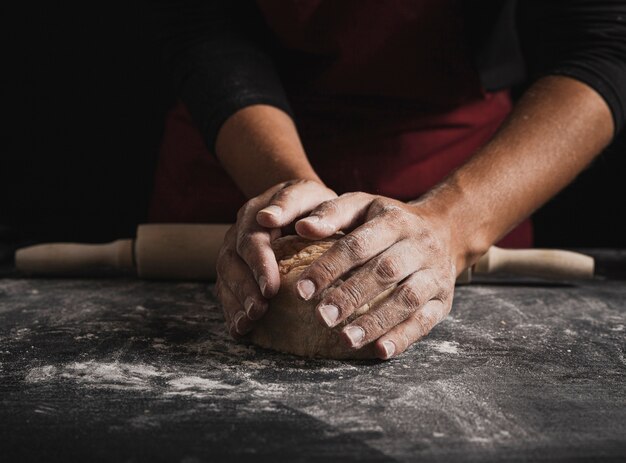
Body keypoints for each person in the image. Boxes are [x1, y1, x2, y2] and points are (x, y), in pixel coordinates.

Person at [152, 1, 626, 359]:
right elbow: (202, 23)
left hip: (461, 163)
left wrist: (452, 224)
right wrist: (285, 187)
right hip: (244, 146)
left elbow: (607, 43)